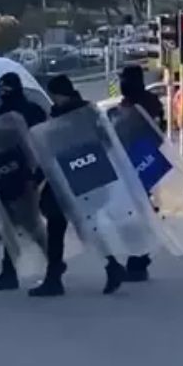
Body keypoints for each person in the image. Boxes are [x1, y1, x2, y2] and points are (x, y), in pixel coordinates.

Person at [30, 75, 127, 297]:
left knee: (56, 227)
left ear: (57, 94)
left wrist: (37, 179)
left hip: (64, 176)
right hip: (89, 174)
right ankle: (111, 265)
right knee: (88, 225)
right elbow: (106, 141)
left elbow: (50, 150)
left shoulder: (60, 117)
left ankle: (54, 278)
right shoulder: (89, 112)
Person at [0, 72, 49, 292]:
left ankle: (51, 263)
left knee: (29, 223)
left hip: (21, 174)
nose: (4, 93)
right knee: (14, 225)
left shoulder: (22, 112)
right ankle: (10, 270)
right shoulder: (17, 111)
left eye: (6, 89)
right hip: (13, 173)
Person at [118, 64, 163, 282]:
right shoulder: (143, 102)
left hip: (139, 162)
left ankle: (138, 260)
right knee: (136, 214)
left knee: (137, 215)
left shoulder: (142, 104)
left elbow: (152, 132)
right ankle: (138, 259)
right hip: (138, 162)